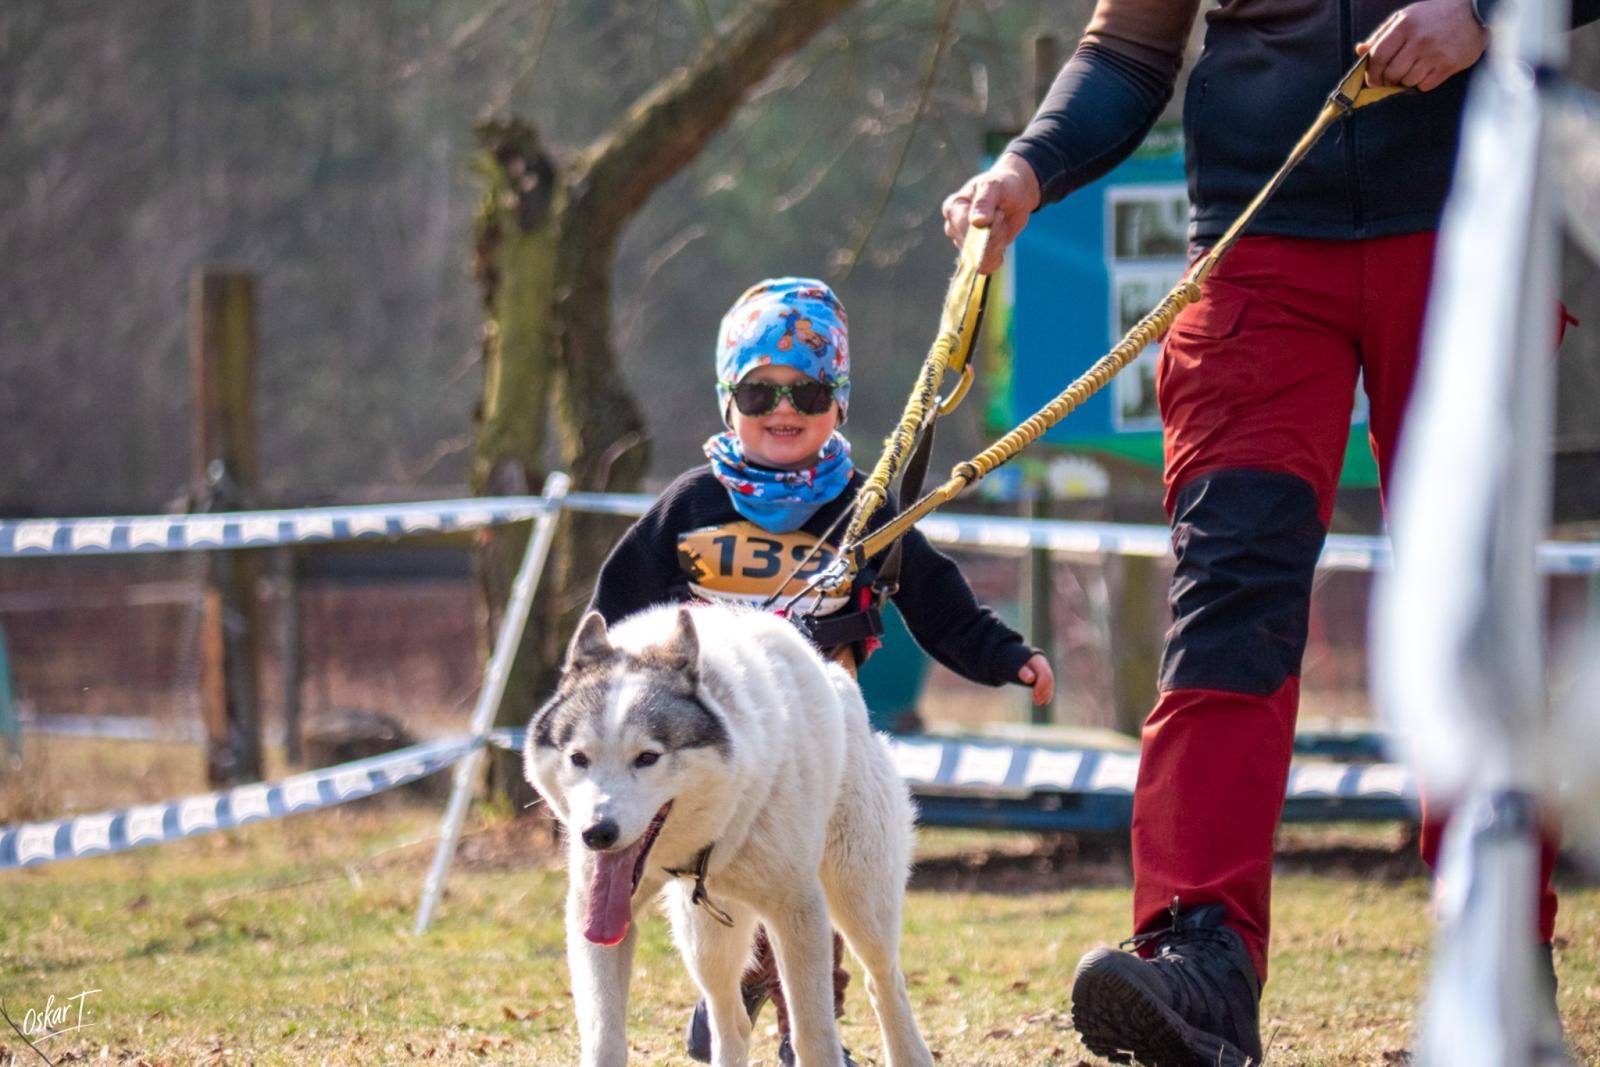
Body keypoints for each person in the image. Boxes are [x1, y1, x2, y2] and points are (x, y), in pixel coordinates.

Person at [943, 1, 1595, 1063]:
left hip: (1466, 226)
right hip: (1255, 251)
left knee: (1475, 595)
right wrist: (1027, 168)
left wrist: (1481, 14)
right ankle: (1199, 955)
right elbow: (1127, 50)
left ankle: (1500, 962)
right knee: (1228, 591)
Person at [588, 276, 1055, 1066]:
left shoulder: (863, 506)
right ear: (726, 399)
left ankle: (807, 1030)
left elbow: (936, 599)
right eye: (759, 388)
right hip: (706, 747)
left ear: (838, 402)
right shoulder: (687, 505)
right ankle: (725, 1000)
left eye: (808, 388)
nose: (784, 406)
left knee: (811, 888)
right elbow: (615, 610)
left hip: (817, 745)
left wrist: (1006, 655)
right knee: (704, 892)